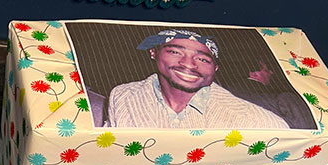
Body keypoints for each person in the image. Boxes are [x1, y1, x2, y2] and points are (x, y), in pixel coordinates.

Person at [106, 29, 290, 129]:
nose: (189, 64)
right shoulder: (122, 95)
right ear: (154, 53)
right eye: (175, 52)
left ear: (215, 68)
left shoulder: (256, 122)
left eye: (202, 59)